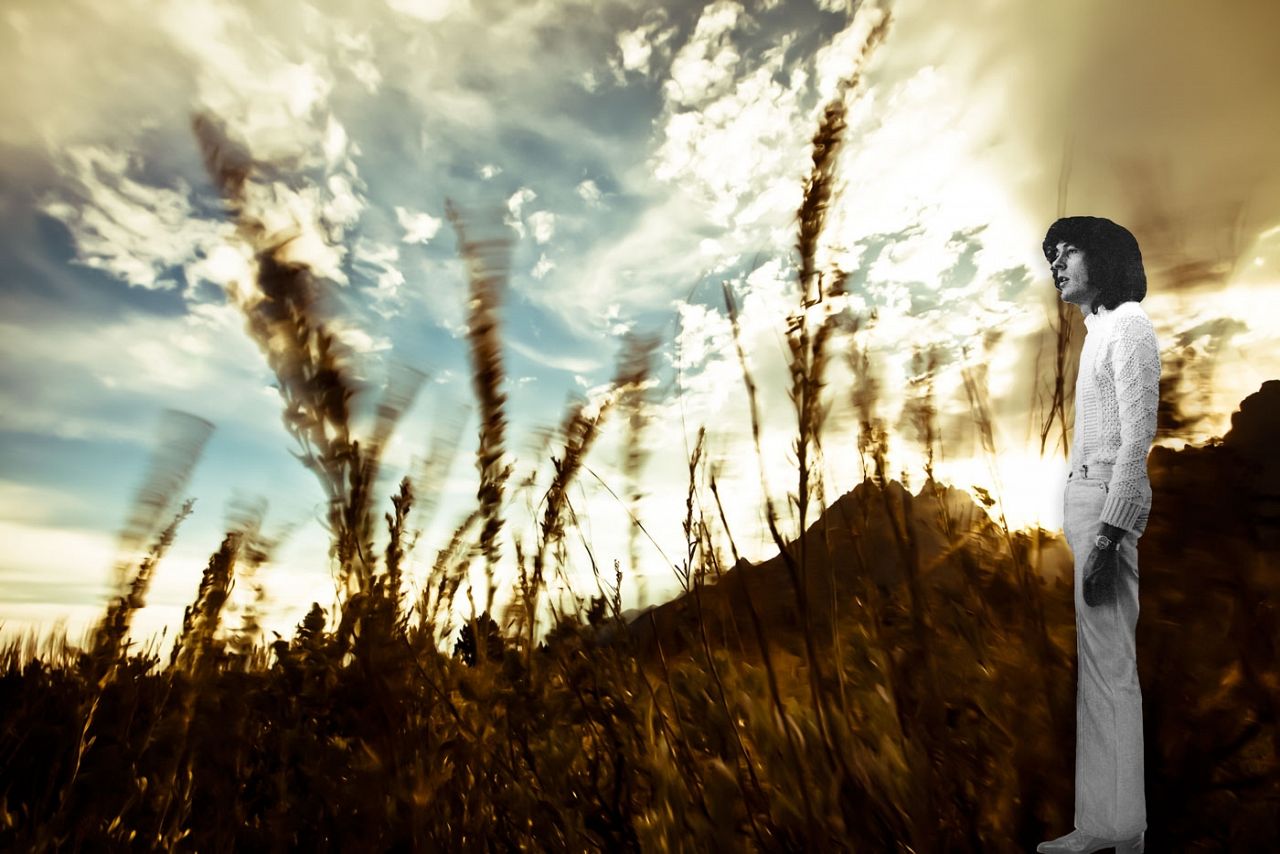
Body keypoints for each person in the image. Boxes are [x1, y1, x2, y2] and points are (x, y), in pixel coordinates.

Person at [1037, 216, 1161, 854]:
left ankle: (1125, 833)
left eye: (1068, 252)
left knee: (1113, 670)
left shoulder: (1130, 325)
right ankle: (1102, 825)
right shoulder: (1099, 334)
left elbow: (1136, 438)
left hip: (1107, 512)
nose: (1057, 265)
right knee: (1098, 670)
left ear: (1105, 256)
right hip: (1088, 506)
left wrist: (1111, 536)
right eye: (1052, 257)